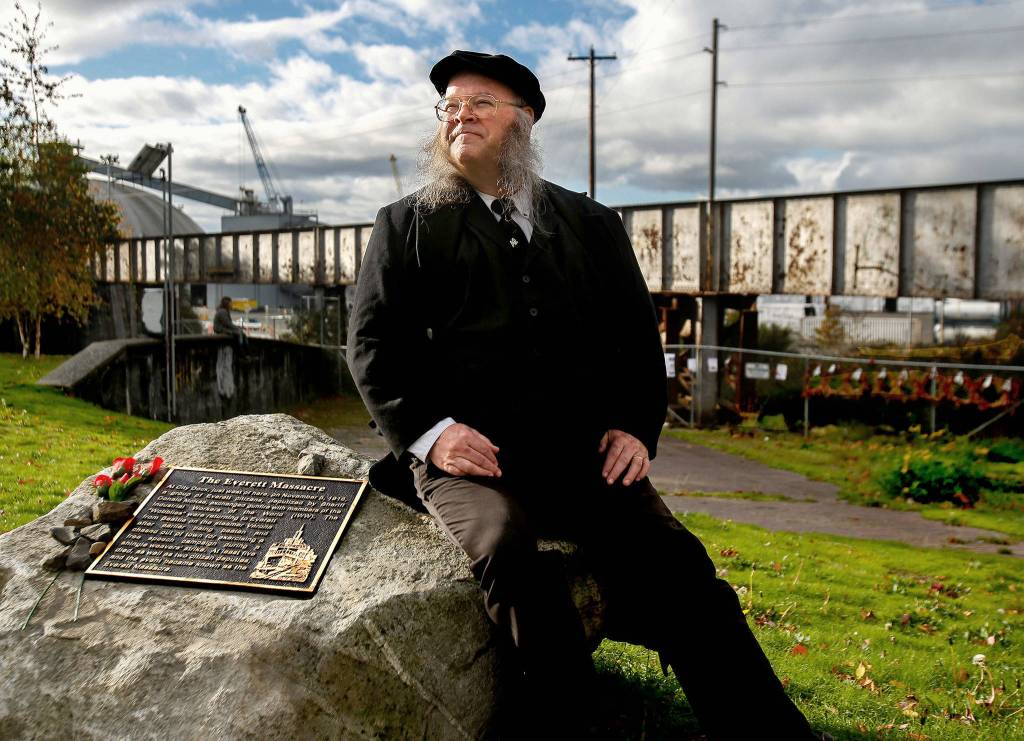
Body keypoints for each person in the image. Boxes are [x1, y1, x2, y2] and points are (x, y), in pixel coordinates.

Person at [348, 50, 824, 739]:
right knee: (507, 549)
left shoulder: (591, 222)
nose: (460, 115)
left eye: (480, 103)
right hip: (468, 456)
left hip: (580, 454)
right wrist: (431, 433)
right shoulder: (406, 223)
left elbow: (636, 339)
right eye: (449, 106)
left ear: (525, 121)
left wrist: (635, 426)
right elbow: (371, 348)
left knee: (680, 567)